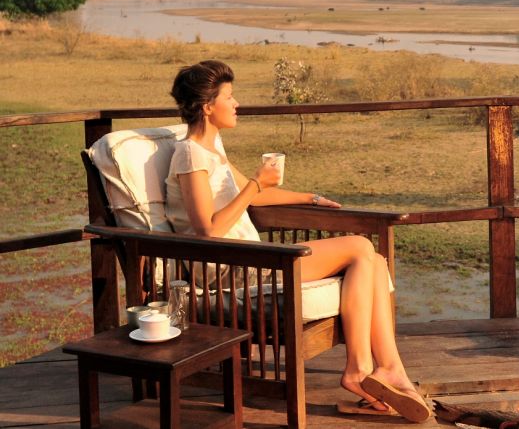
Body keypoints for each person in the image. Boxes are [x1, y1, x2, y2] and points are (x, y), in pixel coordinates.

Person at [165, 60, 430, 422]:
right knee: (359, 247)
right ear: (208, 106)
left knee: (375, 261)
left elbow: (253, 198)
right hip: (230, 267)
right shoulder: (189, 154)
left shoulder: (212, 150)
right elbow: (207, 230)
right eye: (230, 96)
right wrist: (257, 183)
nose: (237, 103)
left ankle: (387, 368)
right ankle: (361, 368)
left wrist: (309, 197)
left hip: (250, 257)